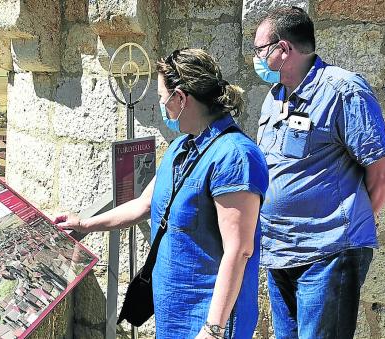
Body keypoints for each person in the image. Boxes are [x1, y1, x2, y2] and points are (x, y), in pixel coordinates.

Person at [56, 48, 269, 339]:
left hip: (208, 318)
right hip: (174, 313)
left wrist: (213, 329)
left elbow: (240, 249)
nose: (160, 106)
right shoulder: (181, 149)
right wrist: (85, 224)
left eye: (161, 98)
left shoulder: (235, 157)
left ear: (180, 98)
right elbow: (144, 205)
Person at [252, 6, 385, 338]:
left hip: (327, 254)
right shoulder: (274, 98)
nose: (256, 58)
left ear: (284, 48)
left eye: (260, 49)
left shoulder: (343, 90)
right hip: (280, 253)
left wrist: (343, 225)